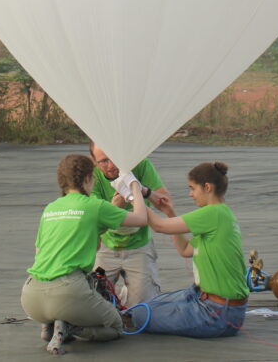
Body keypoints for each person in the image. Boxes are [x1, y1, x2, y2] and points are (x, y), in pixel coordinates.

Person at [21, 153, 147, 355]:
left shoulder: (50, 208)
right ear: (88, 178)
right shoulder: (94, 206)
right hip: (68, 292)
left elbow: (40, 252)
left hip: (31, 296)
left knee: (63, 298)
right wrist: (134, 186)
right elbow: (141, 218)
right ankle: (71, 327)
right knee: (116, 326)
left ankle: (50, 324)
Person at [127, 161, 249, 338]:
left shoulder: (213, 213)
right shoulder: (221, 215)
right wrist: (170, 212)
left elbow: (159, 226)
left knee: (140, 316)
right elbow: (185, 249)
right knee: (144, 306)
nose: (190, 194)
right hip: (212, 302)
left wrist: (132, 194)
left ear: (207, 187)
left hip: (217, 313)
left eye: (192, 188)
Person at [88, 142, 171, 305]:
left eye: (114, 159)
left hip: (138, 245)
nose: (111, 166)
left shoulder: (140, 165)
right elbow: (93, 217)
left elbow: (165, 202)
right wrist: (114, 208)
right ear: (94, 161)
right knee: (92, 299)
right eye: (103, 161)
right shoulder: (93, 175)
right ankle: (123, 298)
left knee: (142, 310)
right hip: (107, 245)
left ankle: (131, 293)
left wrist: (143, 190)